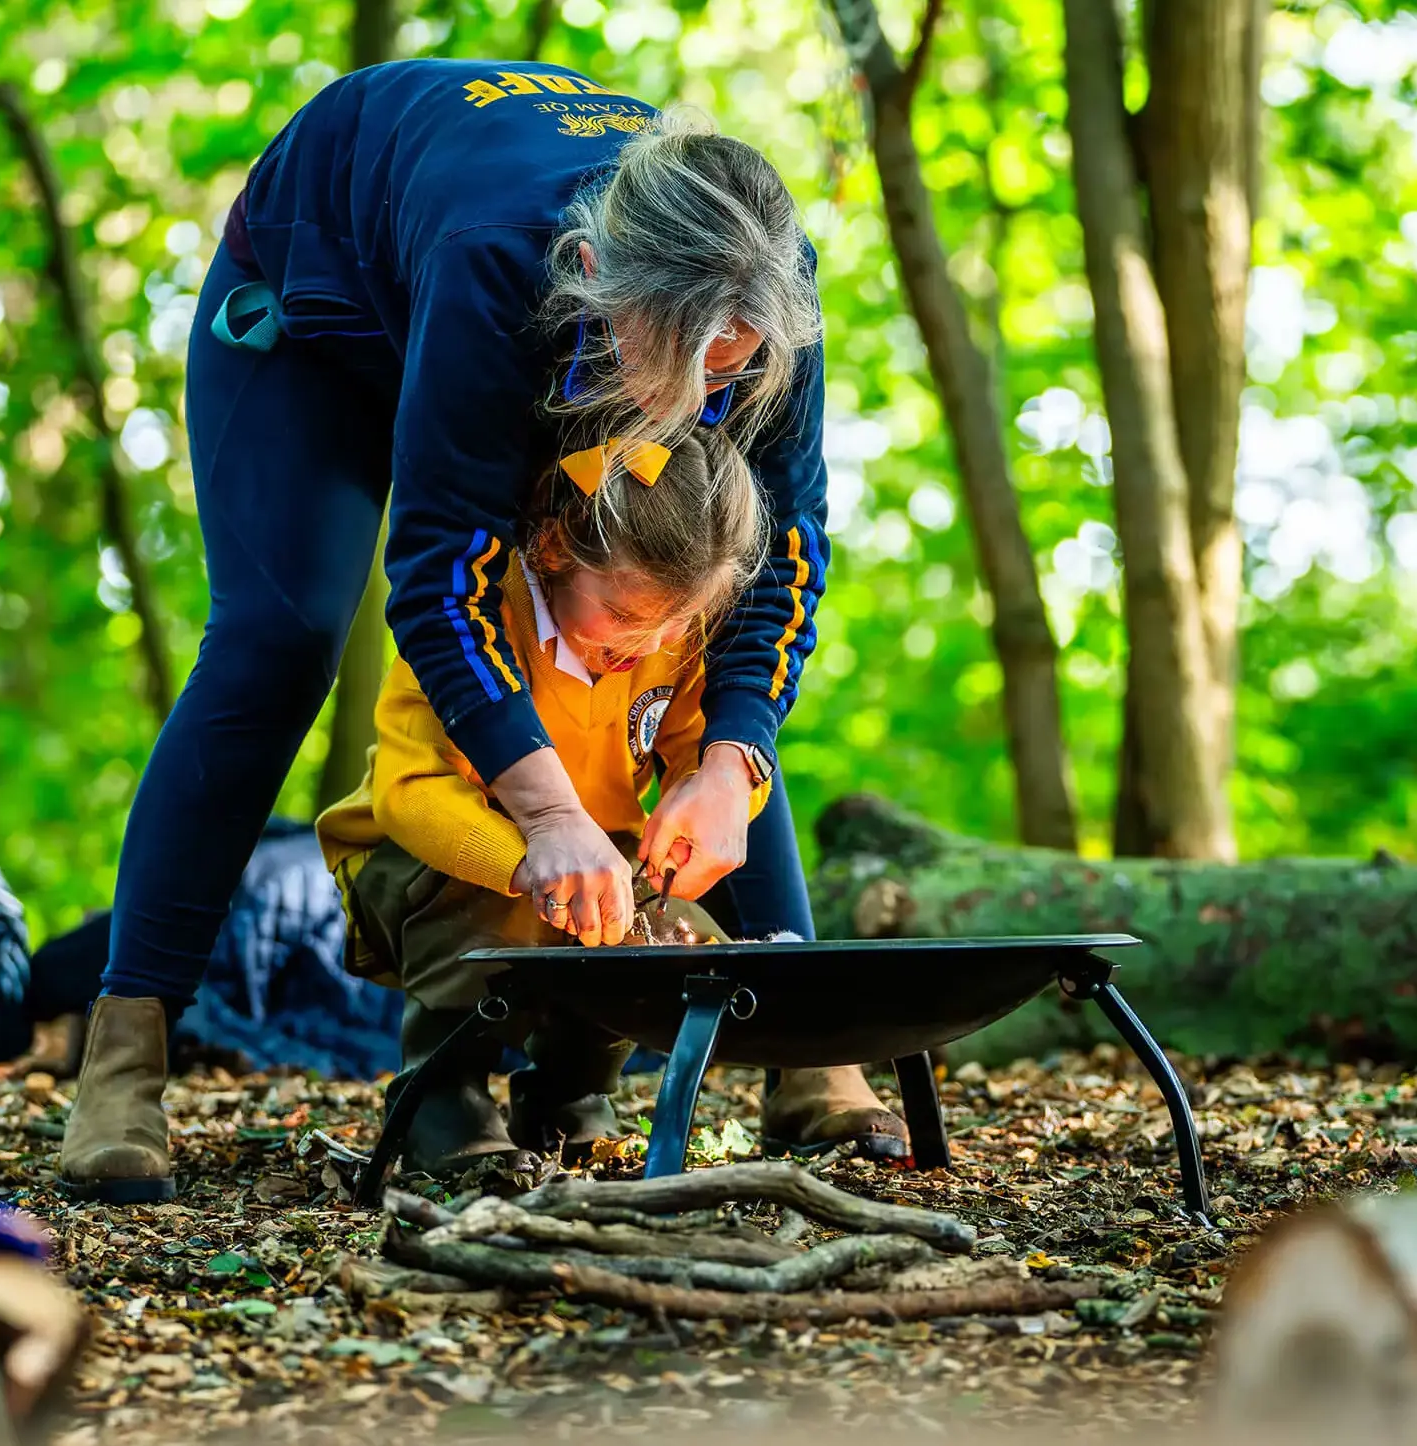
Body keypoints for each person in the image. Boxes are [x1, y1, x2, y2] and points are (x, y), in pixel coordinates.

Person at [59, 59, 900, 1203]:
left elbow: (781, 559)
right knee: (280, 636)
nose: (712, 396)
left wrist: (728, 764)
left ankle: (808, 1052)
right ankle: (125, 1057)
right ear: (599, 279)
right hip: (326, 320)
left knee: (687, 631)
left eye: (734, 360)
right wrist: (547, 816)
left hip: (572, 323)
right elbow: (437, 575)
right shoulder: (497, 263)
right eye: (687, 353)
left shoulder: (762, 284)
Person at [322, 429, 819, 1171]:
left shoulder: (662, 641)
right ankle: (441, 1089)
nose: (645, 642)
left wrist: (717, 796)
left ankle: (571, 1092)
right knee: (494, 905)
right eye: (623, 615)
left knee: (664, 936)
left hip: (601, 858)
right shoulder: (473, 627)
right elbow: (409, 793)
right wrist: (525, 862)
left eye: (675, 622)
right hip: (423, 866)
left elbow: (691, 747)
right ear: (555, 549)